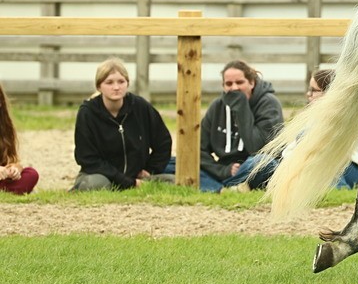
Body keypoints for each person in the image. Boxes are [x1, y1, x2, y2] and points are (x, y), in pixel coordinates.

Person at [223, 68, 358, 192]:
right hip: (306, 168)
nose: (308, 94)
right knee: (259, 162)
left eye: (313, 90)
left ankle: (332, 191)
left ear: (329, 93)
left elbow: (321, 152)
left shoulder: (351, 117)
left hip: (349, 171)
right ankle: (229, 188)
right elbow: (293, 149)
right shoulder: (314, 117)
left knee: (320, 167)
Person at [181, 61, 283, 193]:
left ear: (251, 83)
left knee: (263, 163)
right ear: (223, 86)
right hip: (226, 170)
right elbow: (198, 150)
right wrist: (223, 170)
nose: (234, 88)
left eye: (240, 82)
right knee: (178, 162)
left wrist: (241, 109)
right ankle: (226, 189)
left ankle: (215, 187)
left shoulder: (268, 103)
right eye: (229, 84)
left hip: (254, 166)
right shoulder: (217, 106)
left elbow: (257, 148)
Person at [71, 58, 172, 191]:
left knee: (175, 182)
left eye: (121, 82)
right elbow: (87, 158)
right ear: (99, 86)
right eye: (109, 83)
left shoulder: (141, 107)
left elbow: (163, 142)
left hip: (137, 176)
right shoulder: (87, 113)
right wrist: (126, 182)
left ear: (127, 84)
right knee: (97, 185)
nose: (116, 87)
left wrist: (150, 169)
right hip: (102, 175)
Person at [0, 82, 39, 195]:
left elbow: (11, 161)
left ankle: (7, 190)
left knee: (31, 173)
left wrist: (14, 170)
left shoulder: (4, 129)